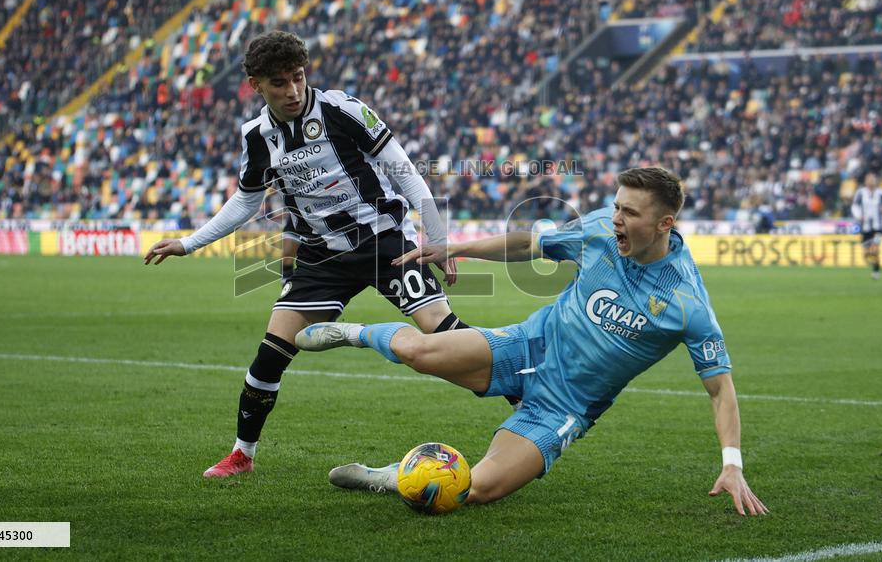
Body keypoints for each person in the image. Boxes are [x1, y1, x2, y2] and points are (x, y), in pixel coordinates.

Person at [297, 166, 768, 515]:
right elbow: (527, 245)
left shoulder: (687, 303)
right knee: (415, 349)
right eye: (617, 205)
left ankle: (391, 475)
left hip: (565, 406)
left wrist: (732, 463)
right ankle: (353, 332)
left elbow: (720, 388)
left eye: (630, 212)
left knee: (469, 491)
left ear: (665, 224)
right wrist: (455, 247)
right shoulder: (600, 230)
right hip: (527, 346)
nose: (616, 218)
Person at [144, 30, 471, 478]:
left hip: (385, 242)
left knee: (446, 338)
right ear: (256, 84)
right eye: (279, 83)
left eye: (298, 77)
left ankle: (527, 393)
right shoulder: (257, 136)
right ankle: (242, 455)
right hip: (321, 257)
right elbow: (245, 201)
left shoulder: (343, 109)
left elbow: (407, 173)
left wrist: (437, 238)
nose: (293, 90)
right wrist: (188, 242)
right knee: (271, 353)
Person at [851, 173, 882, 280]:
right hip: (865, 227)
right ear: (865, 181)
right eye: (868, 179)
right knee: (867, 252)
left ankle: (876, 272)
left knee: (875, 249)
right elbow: (854, 206)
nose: (871, 181)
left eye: (873, 179)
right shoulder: (860, 193)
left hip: (879, 227)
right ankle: (876, 267)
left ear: (876, 181)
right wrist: (858, 215)